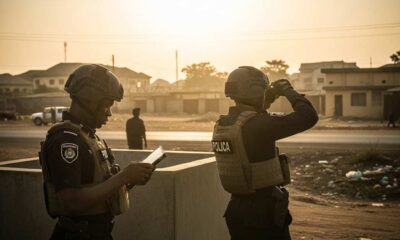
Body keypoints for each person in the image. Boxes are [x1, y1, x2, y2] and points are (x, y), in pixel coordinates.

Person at [39, 64, 155, 240]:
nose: (109, 113)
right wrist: (123, 177)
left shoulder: (88, 137)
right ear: (89, 100)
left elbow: (98, 187)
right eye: (106, 105)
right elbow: (71, 203)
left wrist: (130, 180)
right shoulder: (67, 141)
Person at [212, 66, 318, 240]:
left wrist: (265, 100)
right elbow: (308, 116)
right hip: (263, 214)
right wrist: (287, 90)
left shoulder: (223, 125)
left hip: (236, 210)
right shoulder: (260, 125)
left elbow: (253, 122)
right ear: (255, 91)